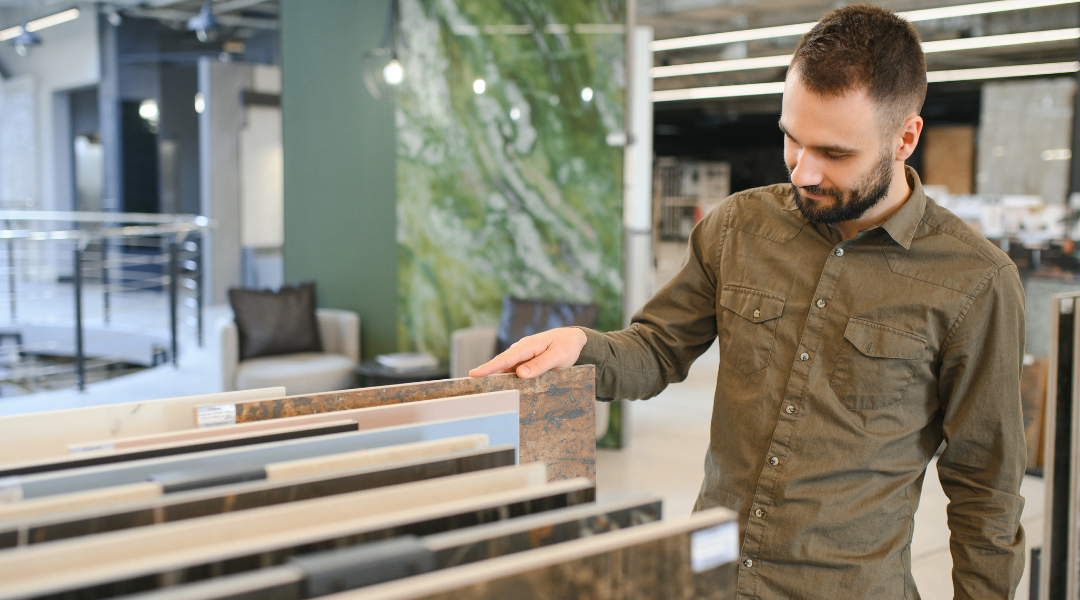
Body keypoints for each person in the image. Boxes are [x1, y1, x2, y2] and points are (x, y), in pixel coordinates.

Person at [471, 4, 1026, 599]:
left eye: (835, 153)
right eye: (791, 138)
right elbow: (657, 349)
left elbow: (985, 487)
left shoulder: (975, 282)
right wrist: (582, 347)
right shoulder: (739, 226)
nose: (803, 172)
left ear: (906, 138)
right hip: (713, 580)